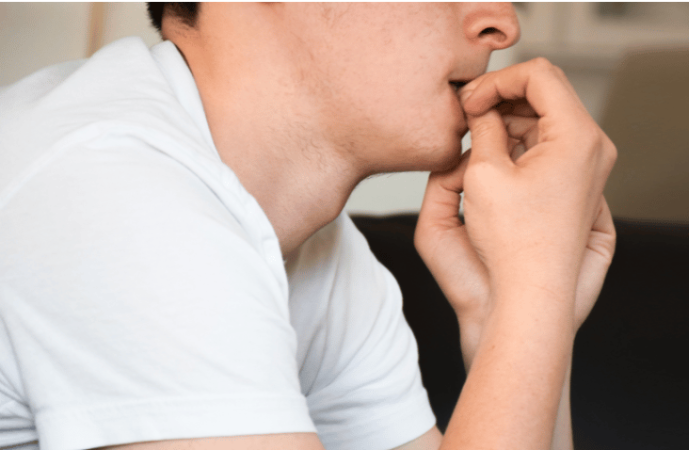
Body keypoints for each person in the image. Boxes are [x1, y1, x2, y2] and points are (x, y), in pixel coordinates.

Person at [0, 3, 616, 450]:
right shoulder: (113, 192)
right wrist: (537, 280)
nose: (501, 22)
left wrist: (510, 309)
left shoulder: (316, 249)